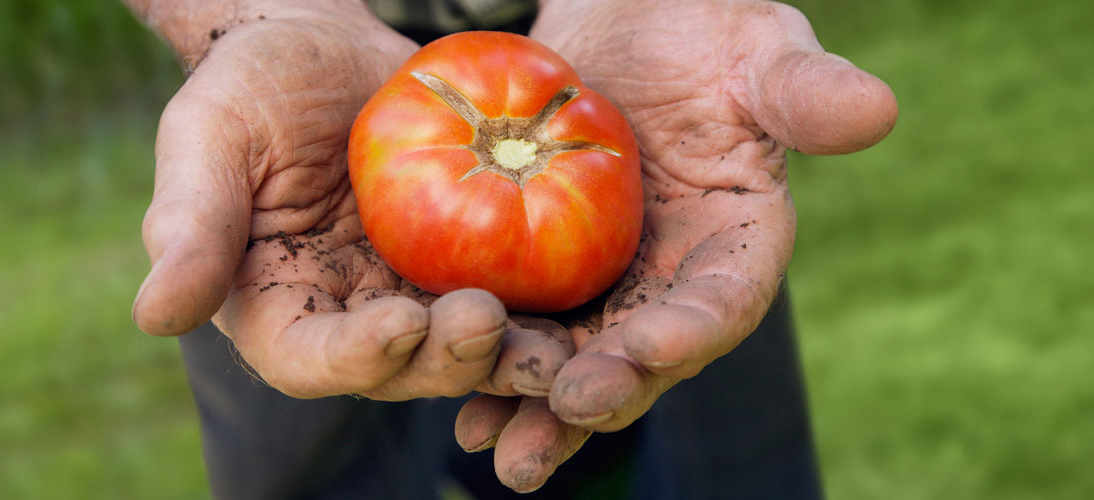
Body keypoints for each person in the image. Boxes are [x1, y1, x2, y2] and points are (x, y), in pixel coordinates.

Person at [123, 0, 898, 498]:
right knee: (298, 467)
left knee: (718, 444)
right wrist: (240, 14)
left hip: (643, 58)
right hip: (297, 60)